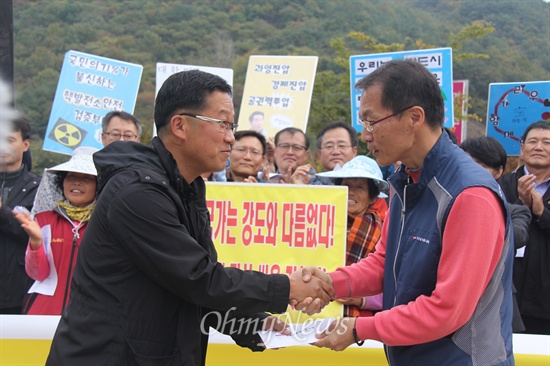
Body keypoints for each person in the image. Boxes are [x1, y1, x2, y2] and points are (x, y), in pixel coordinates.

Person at [46, 69, 333, 366]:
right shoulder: (137, 191)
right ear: (180, 126)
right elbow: (197, 278)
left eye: (231, 126)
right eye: (223, 124)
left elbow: (190, 287)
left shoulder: (187, 188)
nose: (231, 137)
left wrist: (252, 324)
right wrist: (286, 287)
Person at [297, 59, 514, 365]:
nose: (365, 135)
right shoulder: (406, 181)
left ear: (414, 117)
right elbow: (386, 264)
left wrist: (360, 328)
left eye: (371, 121)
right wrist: (330, 284)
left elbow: (447, 309)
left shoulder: (469, 195)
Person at [13, 146, 98, 315]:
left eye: (86, 178)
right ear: (62, 181)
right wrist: (36, 243)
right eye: (71, 176)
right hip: (43, 312)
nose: (76, 182)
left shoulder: (105, 222)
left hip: (88, 316)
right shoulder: (44, 219)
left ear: (98, 185)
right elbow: (38, 273)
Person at [460, 135, 531, 332]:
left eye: (481, 166)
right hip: (455, 302)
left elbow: (518, 236)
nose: (471, 171)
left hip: (498, 304)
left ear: (499, 171)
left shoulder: (515, 211)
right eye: (466, 163)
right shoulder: (443, 208)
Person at [317, 155, 388, 317]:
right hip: (315, 312)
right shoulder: (321, 224)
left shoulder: (384, 233)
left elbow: (393, 286)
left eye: (360, 187)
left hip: (359, 325)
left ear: (372, 197)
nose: (351, 192)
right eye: (346, 185)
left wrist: (361, 299)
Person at [498, 120, 550, 335]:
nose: (539, 147)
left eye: (547, 142)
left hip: (545, 296)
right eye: (533, 141)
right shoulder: (501, 185)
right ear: (522, 148)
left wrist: (541, 212)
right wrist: (521, 205)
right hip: (507, 292)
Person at [0, 113, 40, 314]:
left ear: (25, 145)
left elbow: (35, 235)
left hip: (18, 292)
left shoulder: (39, 187)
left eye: (9, 140)